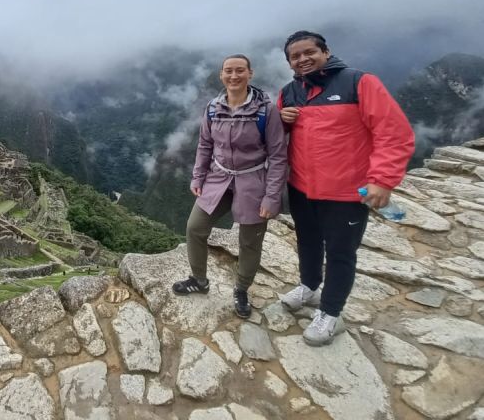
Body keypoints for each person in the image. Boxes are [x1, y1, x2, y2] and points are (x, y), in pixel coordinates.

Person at [277, 30, 414, 346]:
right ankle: (309, 286)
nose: (302, 59)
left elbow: (394, 133)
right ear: (289, 64)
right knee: (307, 242)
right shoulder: (289, 93)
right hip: (301, 187)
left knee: (340, 253)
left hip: (347, 192)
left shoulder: (359, 83)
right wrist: (282, 120)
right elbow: (278, 135)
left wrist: (381, 180)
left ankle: (330, 312)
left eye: (308, 52)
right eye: (295, 56)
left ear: (326, 52)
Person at [172, 55, 287, 318]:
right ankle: (199, 280)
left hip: (253, 180)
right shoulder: (214, 108)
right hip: (218, 178)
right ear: (221, 75)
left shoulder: (265, 111)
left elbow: (278, 156)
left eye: (239, 71)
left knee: (249, 241)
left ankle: (242, 289)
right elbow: (205, 145)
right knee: (195, 228)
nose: (234, 76)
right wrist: (197, 176)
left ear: (250, 74)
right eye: (228, 71)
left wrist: (272, 197)